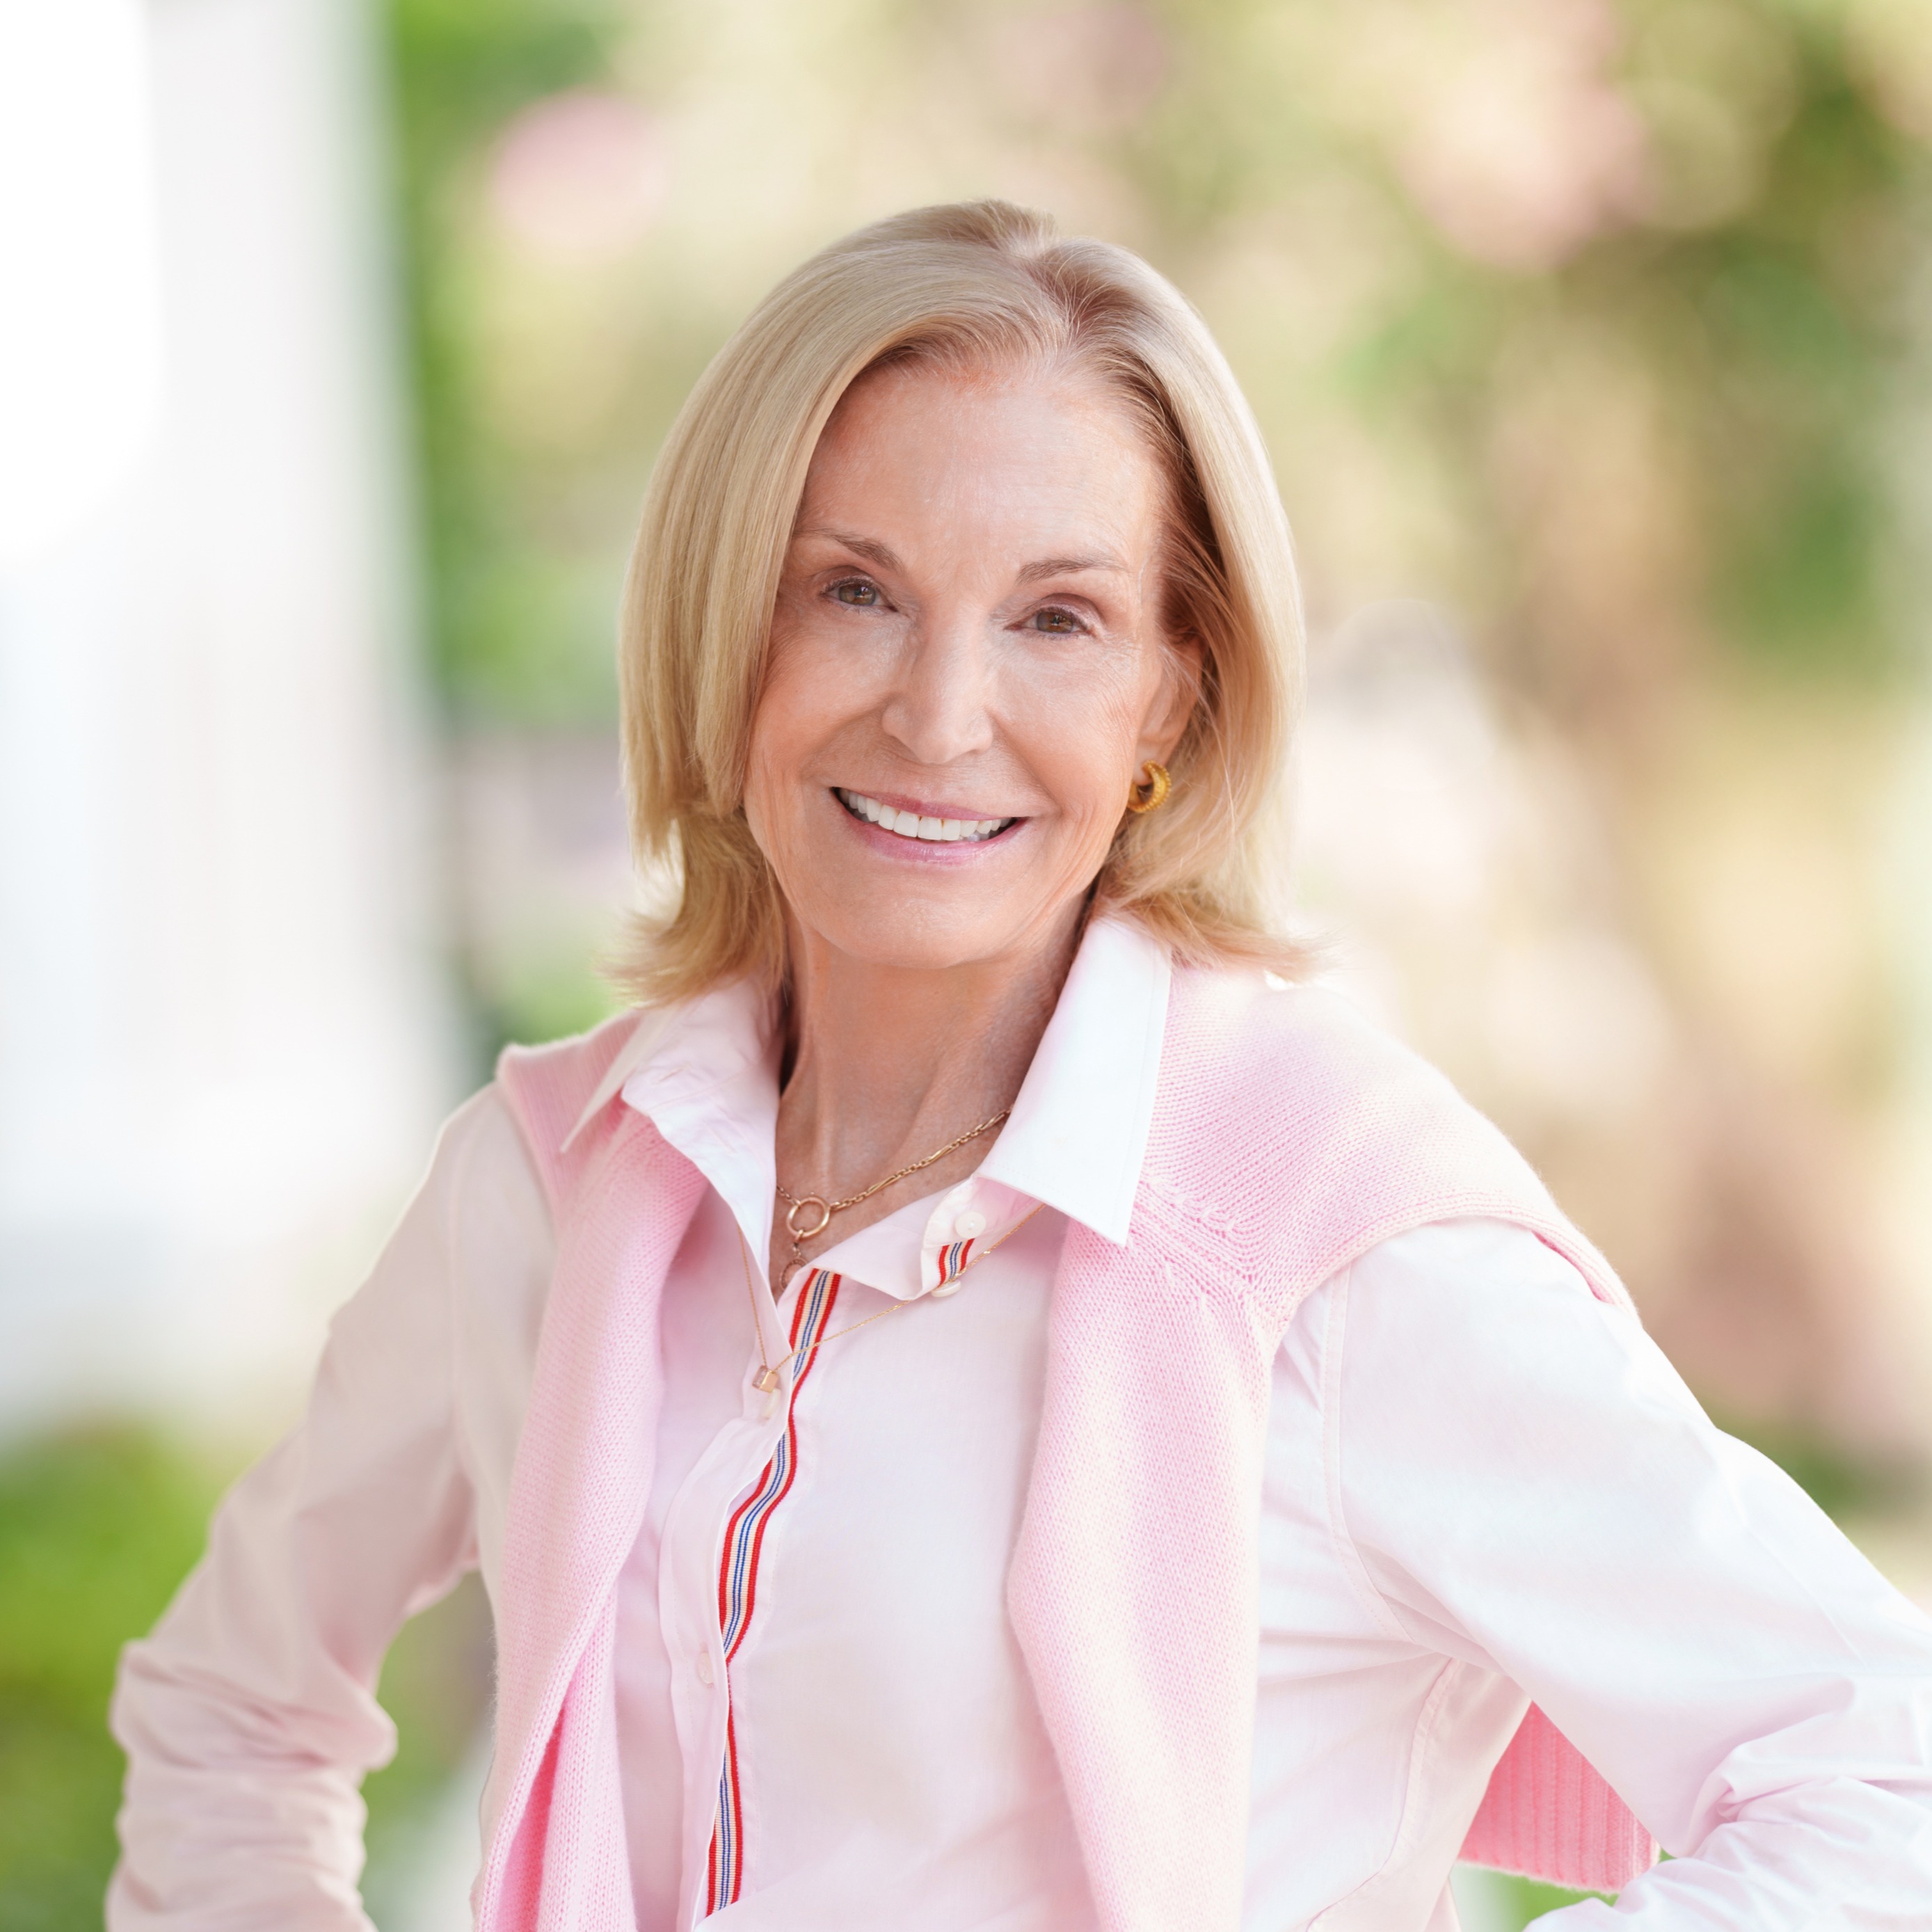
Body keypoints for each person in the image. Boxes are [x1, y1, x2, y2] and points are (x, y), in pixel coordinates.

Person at [109, 201, 1932, 1932]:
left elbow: (1877, 1773)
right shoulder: (548, 1180)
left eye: (1055, 618)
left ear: (1170, 696)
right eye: (851, 591)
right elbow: (230, 1709)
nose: (937, 712)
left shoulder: (1332, 1249)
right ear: (722, 618)